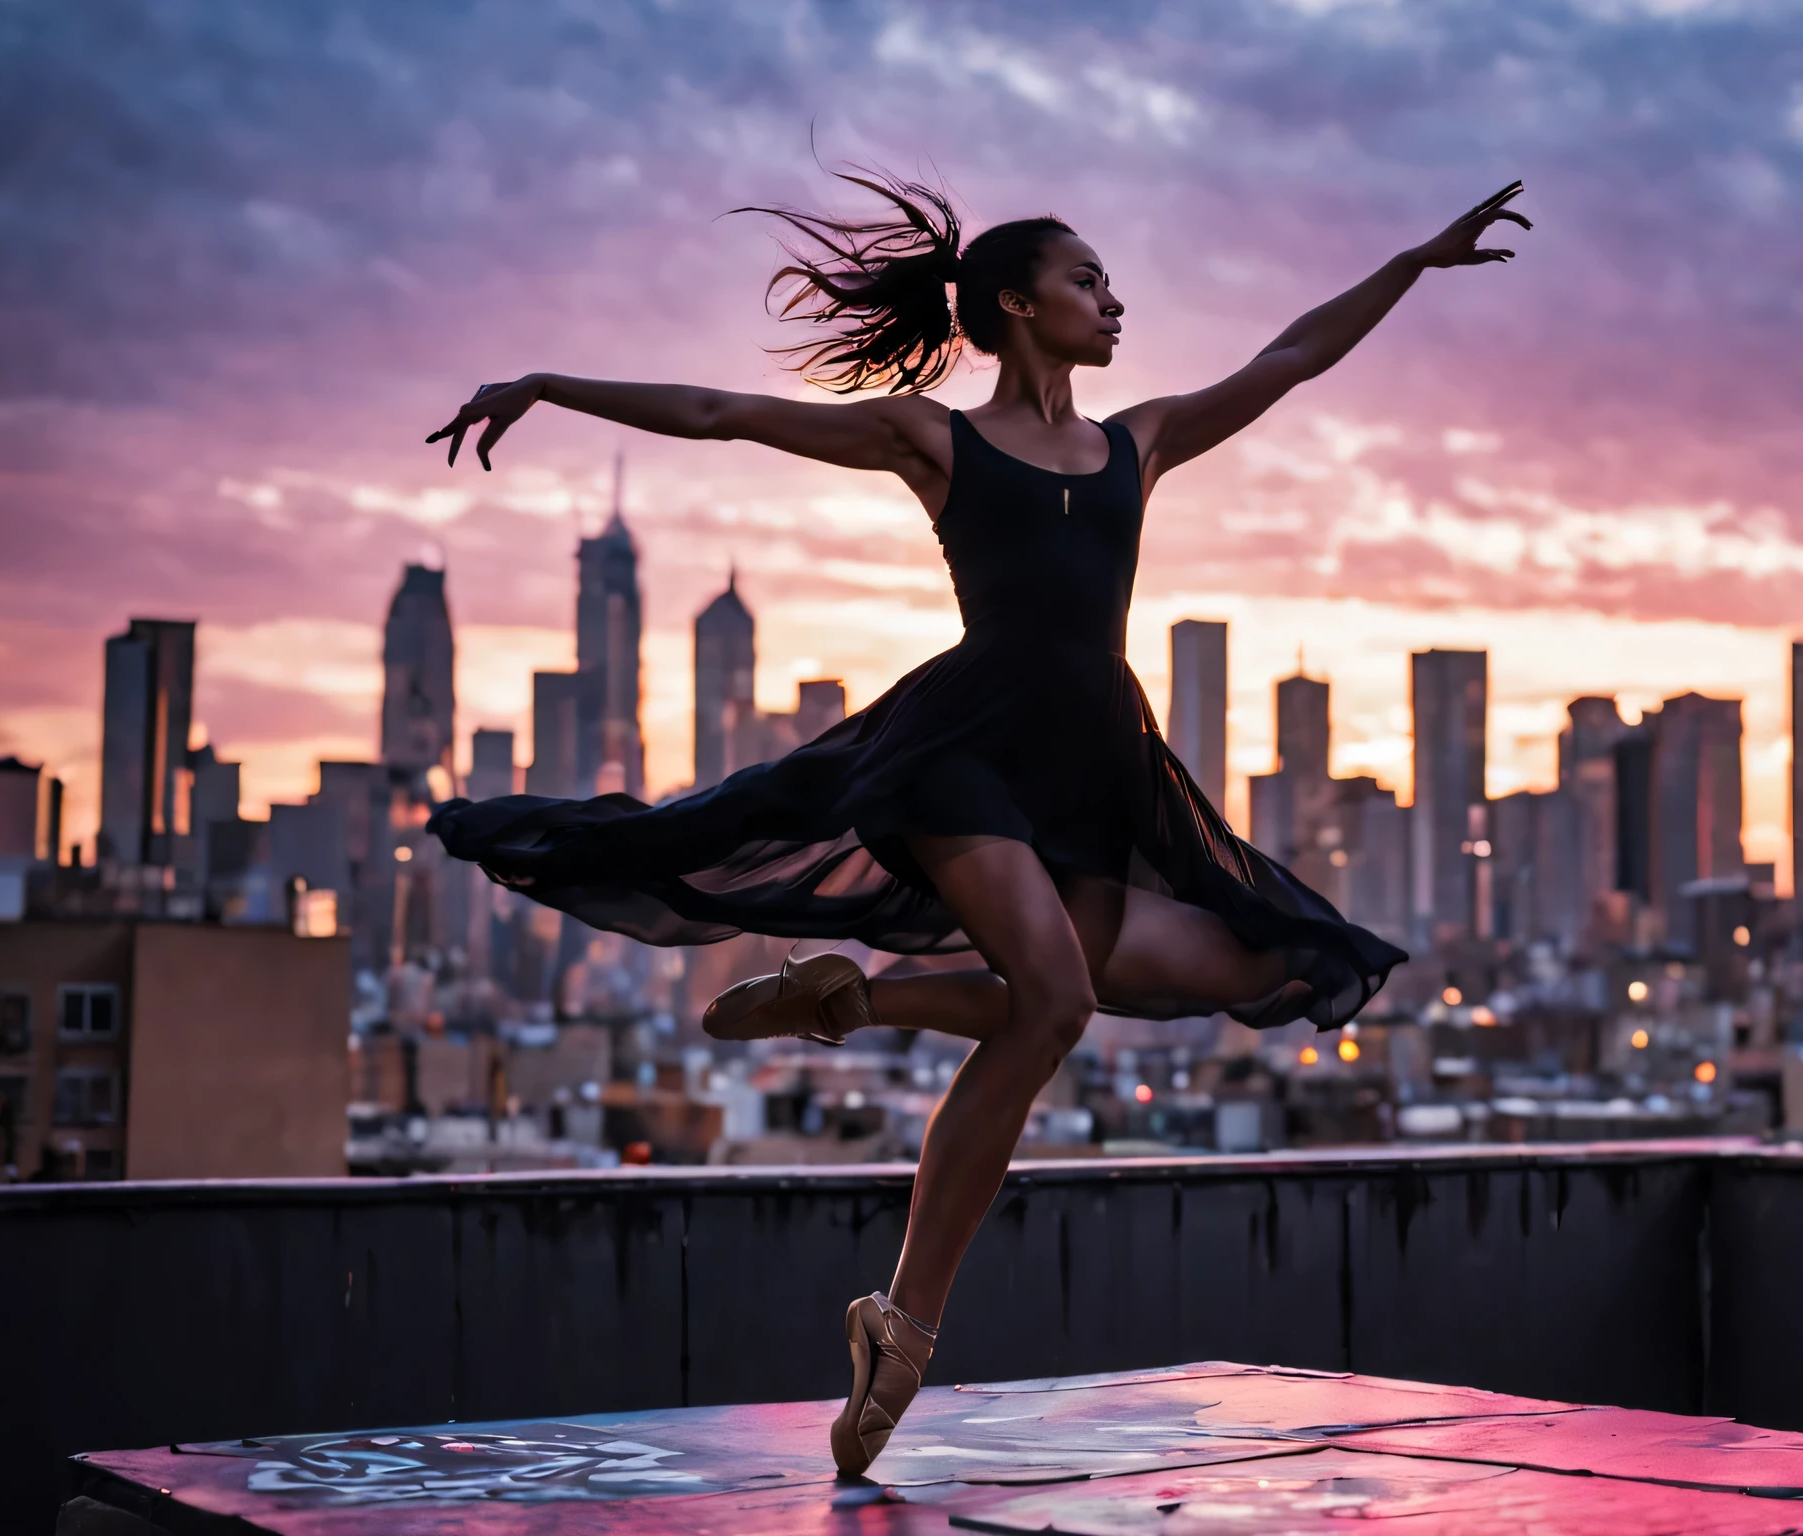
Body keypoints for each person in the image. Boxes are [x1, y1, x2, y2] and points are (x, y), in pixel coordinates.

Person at [423, 173, 1528, 1476]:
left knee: (1264, 965)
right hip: (959, 756)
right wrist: (550, 386)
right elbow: (724, 413)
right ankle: (904, 1331)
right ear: (1016, 306)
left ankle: (857, 998)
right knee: (1052, 998)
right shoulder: (936, 440)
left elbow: (1289, 358)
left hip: (1093, 769)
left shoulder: (1143, 440)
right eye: (1086, 279)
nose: (1114, 299)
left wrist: (1411, 258)